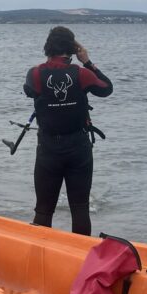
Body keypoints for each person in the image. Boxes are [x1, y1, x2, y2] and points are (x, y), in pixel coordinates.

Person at [24, 26, 113, 235]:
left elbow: (29, 91)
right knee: (80, 209)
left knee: (44, 210)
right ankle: (80, 259)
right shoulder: (82, 74)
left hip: (48, 149)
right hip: (78, 148)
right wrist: (88, 62)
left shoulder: (35, 73)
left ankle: (39, 257)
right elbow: (106, 88)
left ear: (48, 47)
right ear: (73, 48)